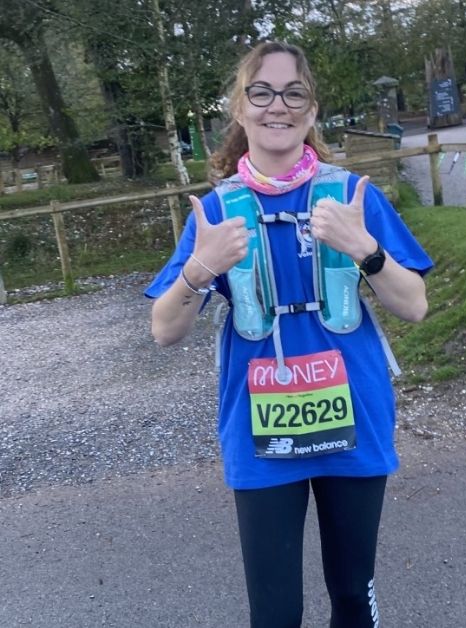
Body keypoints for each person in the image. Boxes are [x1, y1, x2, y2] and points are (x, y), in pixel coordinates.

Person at [147, 42, 433, 627]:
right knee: (275, 613)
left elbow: (415, 307)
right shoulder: (216, 212)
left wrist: (365, 250)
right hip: (260, 425)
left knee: (354, 595)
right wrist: (202, 268)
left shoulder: (353, 197)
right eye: (262, 92)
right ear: (239, 108)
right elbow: (165, 330)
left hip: (353, 415)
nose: (277, 106)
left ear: (311, 110)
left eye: (293, 92)